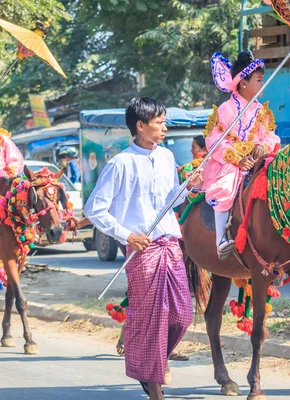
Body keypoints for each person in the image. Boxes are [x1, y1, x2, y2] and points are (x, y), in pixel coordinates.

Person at [84, 97, 201, 400]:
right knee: (153, 316)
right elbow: (95, 209)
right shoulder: (119, 164)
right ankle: (154, 387)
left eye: (164, 121)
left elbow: (170, 202)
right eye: (159, 122)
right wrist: (126, 234)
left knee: (181, 315)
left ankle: (147, 364)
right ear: (140, 125)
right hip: (142, 251)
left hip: (170, 244)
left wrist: (188, 186)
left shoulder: (165, 158)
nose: (165, 127)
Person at [202, 51, 280, 259]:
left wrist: (263, 146)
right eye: (259, 80)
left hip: (257, 161)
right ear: (243, 83)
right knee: (225, 188)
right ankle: (221, 240)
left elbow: (271, 137)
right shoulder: (225, 110)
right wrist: (237, 158)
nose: (262, 84)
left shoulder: (261, 111)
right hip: (230, 163)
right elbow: (214, 140)